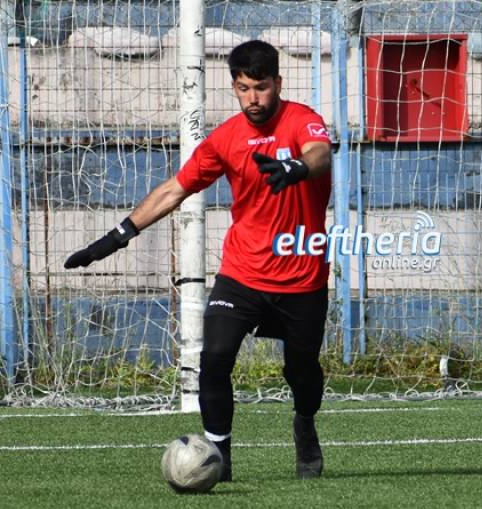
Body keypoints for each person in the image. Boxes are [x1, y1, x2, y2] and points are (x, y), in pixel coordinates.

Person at [64, 40, 333, 481]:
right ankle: (218, 457)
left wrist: (298, 168)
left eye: (261, 87)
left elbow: (320, 153)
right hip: (242, 273)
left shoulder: (303, 120)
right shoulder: (226, 138)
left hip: (302, 274)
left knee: (301, 372)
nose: (253, 98)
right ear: (234, 88)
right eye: (243, 88)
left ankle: (304, 425)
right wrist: (115, 238)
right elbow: (175, 189)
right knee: (216, 357)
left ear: (278, 83)